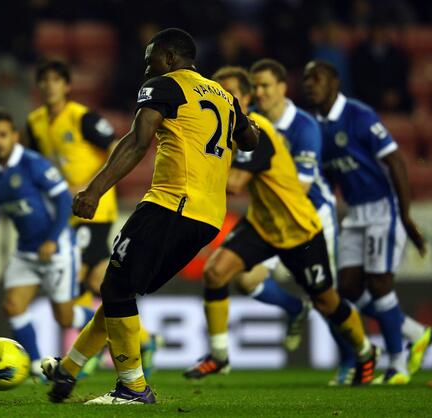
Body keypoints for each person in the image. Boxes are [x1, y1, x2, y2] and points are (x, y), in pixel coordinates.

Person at [41, 28, 259, 405]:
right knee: (120, 291)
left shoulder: (164, 86)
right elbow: (251, 141)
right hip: (208, 217)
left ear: (170, 58)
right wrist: (247, 123)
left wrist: (94, 190)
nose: (146, 67)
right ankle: (69, 370)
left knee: (115, 289)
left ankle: (132, 388)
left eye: (151, 59)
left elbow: (136, 142)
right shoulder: (225, 96)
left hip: (172, 204)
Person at [182, 66, 378, 386]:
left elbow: (235, 184)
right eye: (218, 92)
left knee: (326, 300)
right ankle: (219, 356)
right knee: (215, 272)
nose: (222, 98)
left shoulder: (255, 131)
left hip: (298, 229)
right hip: (262, 223)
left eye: (230, 93)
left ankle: (365, 351)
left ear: (245, 98)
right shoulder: (226, 131)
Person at [26, 60, 160, 377]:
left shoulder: (83, 117)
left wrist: (89, 186)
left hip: (94, 207)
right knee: (97, 278)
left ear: (67, 86)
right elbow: (36, 163)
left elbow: (116, 147)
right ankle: (142, 339)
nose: (49, 85)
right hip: (65, 211)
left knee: (78, 276)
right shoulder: (35, 122)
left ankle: (89, 352)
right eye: (44, 80)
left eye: (56, 79)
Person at [303, 60, 431, 384]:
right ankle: (414, 333)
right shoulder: (316, 126)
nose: (309, 84)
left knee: (379, 285)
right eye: (306, 79)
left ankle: (398, 364)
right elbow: (330, 174)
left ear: (335, 83)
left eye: (317, 78)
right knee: (346, 288)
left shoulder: (359, 115)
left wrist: (405, 215)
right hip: (354, 213)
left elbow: (396, 161)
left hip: (382, 209)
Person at [0, 109, 94, 379]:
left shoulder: (33, 164)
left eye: (3, 135)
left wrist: (52, 239)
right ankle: (38, 367)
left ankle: (105, 322)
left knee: (64, 318)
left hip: (58, 248)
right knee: (12, 306)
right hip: (26, 251)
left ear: (15, 136)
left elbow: (64, 200)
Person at [246, 58, 338, 352]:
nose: (260, 92)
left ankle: (355, 360)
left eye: (266, 85)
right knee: (246, 279)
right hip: (274, 216)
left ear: (283, 88)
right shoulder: (250, 123)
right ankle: (294, 308)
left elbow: (301, 187)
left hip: (311, 216)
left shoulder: (303, 126)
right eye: (255, 87)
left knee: (326, 299)